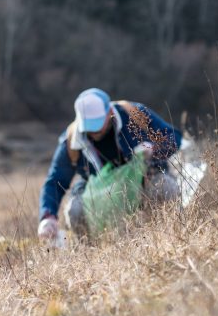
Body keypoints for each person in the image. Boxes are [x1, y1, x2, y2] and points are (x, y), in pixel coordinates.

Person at [38, 88, 182, 238]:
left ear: (110, 111)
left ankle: (168, 237)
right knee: (75, 209)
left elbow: (174, 137)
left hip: (144, 179)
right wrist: (48, 216)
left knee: (166, 187)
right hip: (99, 193)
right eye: (88, 126)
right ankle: (93, 252)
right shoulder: (72, 139)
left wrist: (153, 148)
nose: (94, 132)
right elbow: (55, 180)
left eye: (97, 124)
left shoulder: (133, 113)